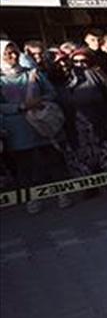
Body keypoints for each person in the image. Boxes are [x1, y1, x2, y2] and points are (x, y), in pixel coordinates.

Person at [1, 40, 69, 213]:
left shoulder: (33, 73)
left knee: (53, 159)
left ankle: (62, 193)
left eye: (14, 52)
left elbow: (52, 93)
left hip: (42, 125)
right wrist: (20, 106)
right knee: (25, 166)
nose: (13, 56)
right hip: (18, 129)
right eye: (8, 53)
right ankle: (32, 198)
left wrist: (39, 101)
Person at [61, 48, 107, 186]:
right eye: (76, 61)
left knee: (105, 151)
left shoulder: (97, 74)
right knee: (84, 154)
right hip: (77, 121)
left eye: (83, 61)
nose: (80, 64)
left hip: (98, 117)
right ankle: (90, 185)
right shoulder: (68, 76)